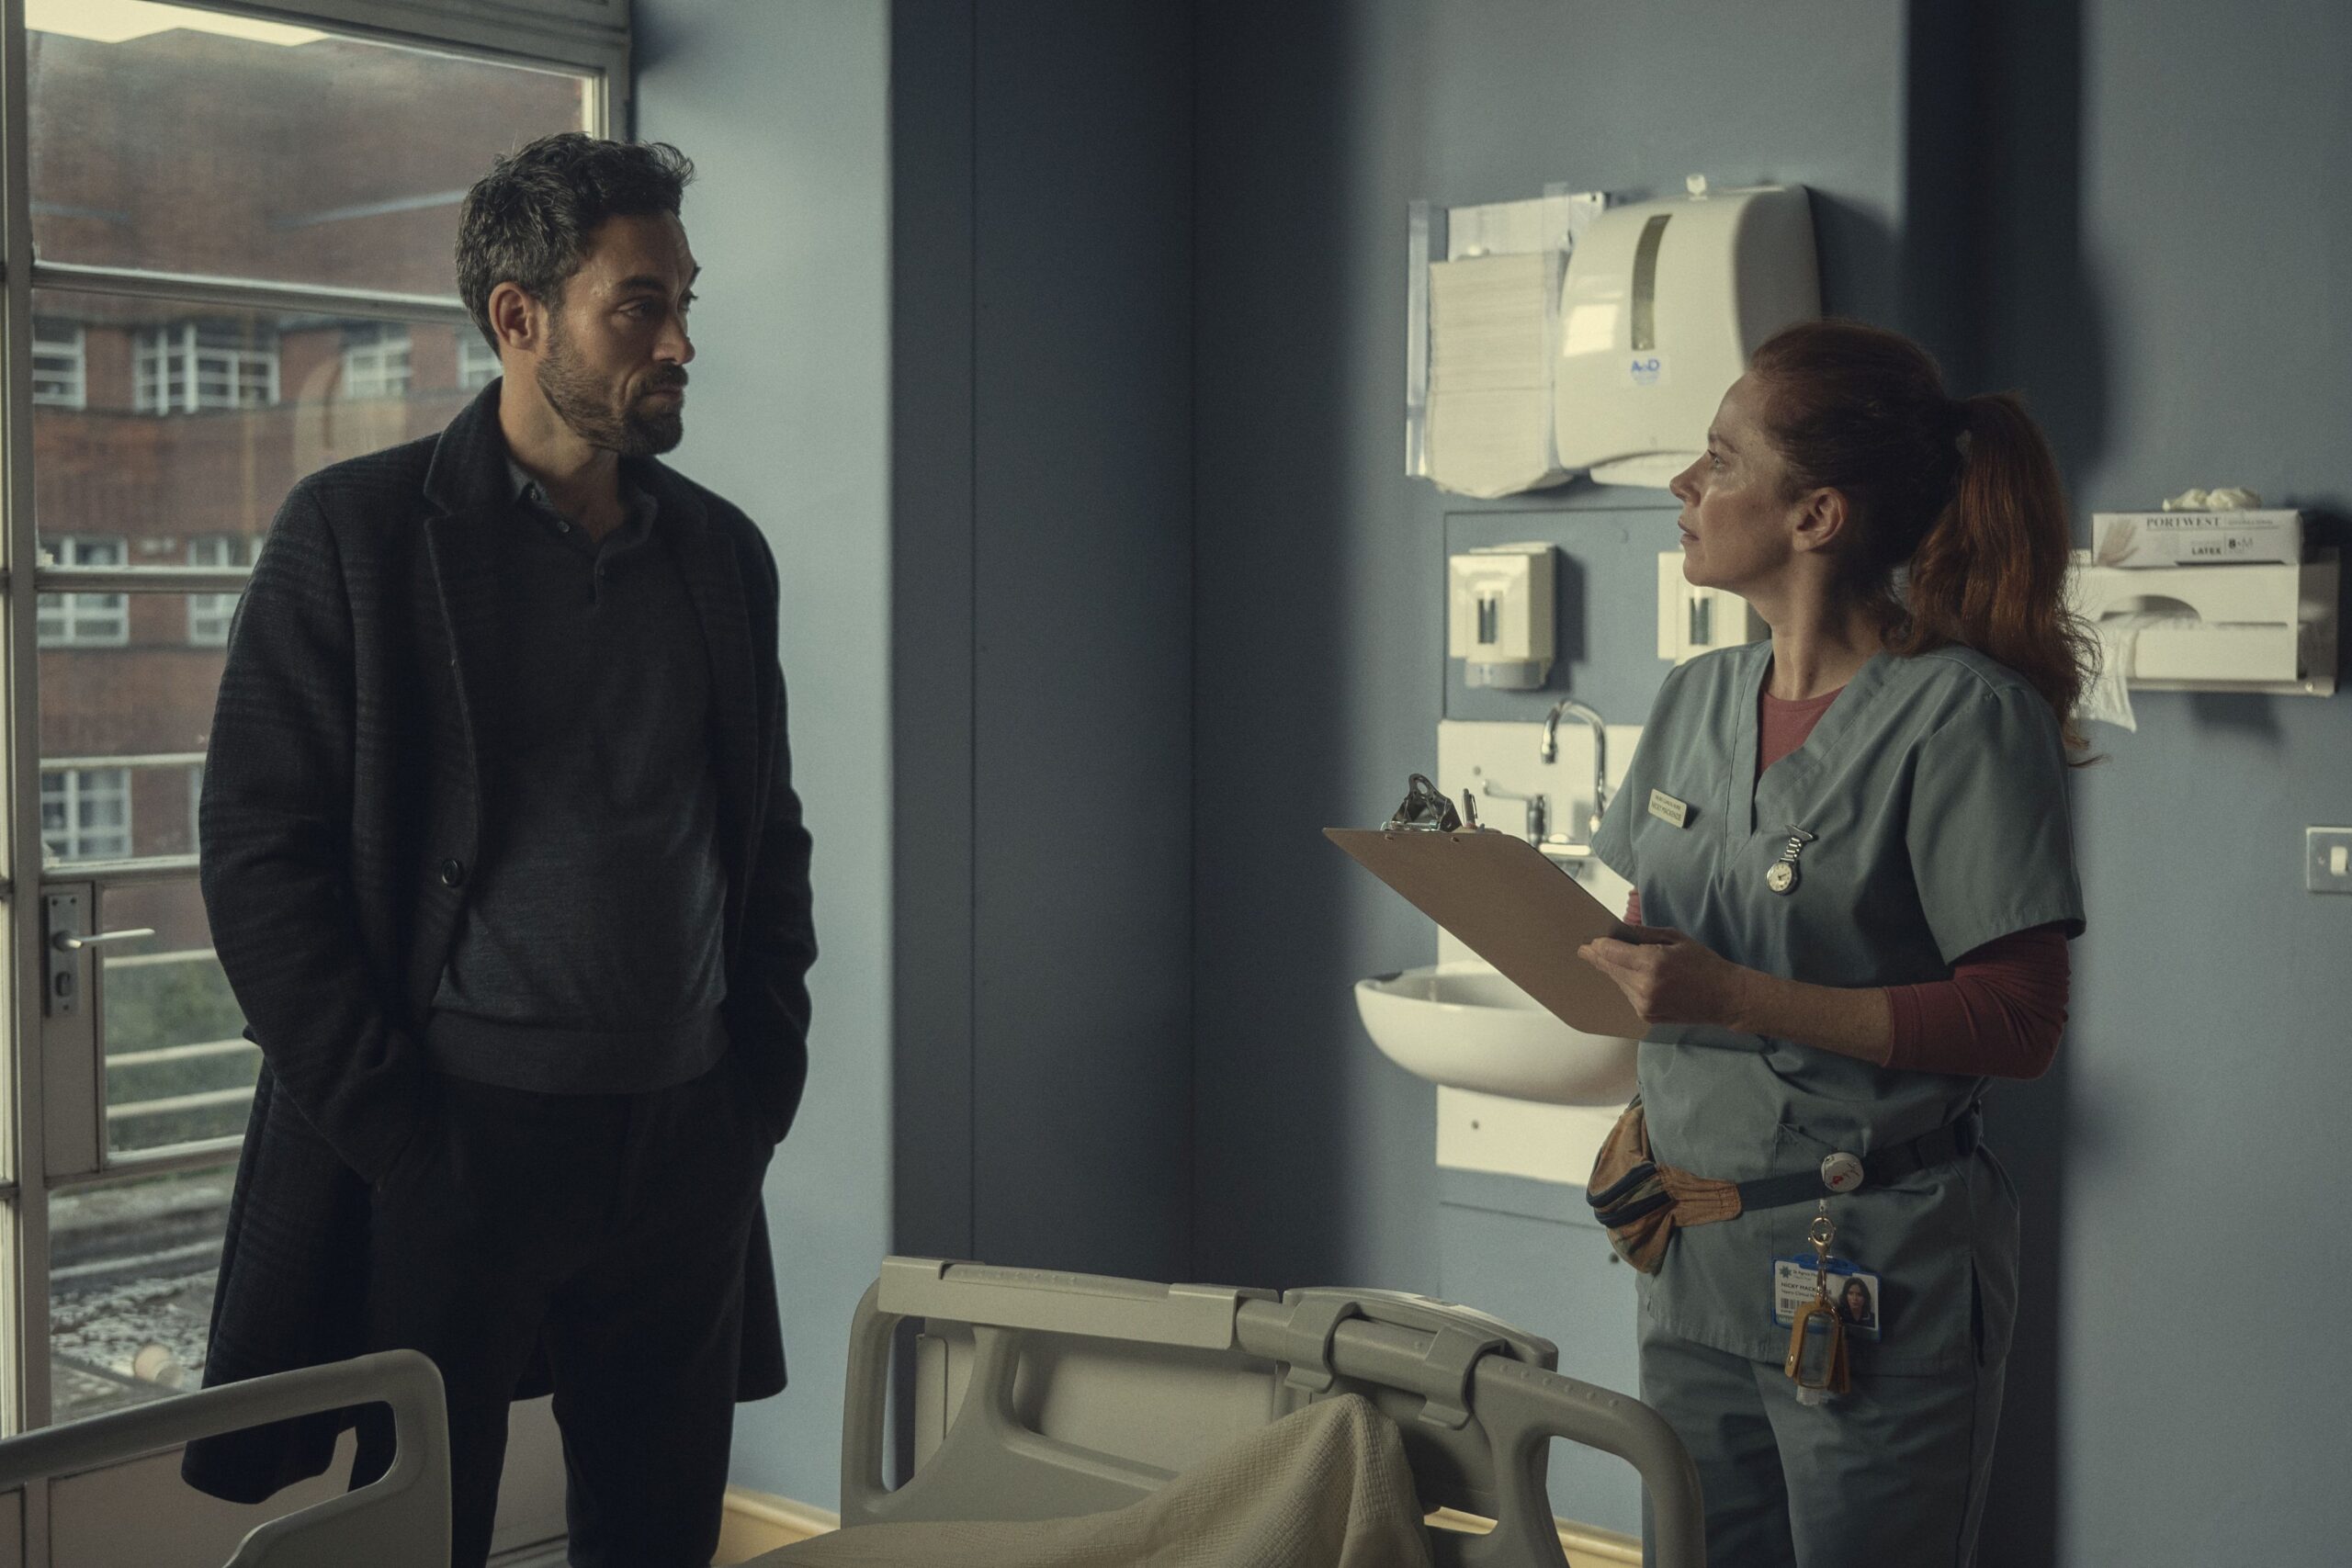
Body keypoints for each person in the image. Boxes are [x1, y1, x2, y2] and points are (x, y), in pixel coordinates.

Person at [183, 132, 817, 1568]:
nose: (680, 342)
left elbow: (764, 834)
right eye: (639, 306)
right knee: (417, 1542)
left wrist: (757, 1082)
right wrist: (404, 1138)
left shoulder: (722, 555)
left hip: (686, 1138)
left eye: (683, 303)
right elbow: (258, 860)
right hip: (457, 1139)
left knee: (659, 1541)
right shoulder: (355, 535)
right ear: (518, 317)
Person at [1577, 319, 2088, 1567]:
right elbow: (1654, 938)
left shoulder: (1964, 716)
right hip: (1687, 1252)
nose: (1683, 486)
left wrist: (1740, 996)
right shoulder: (1695, 697)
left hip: (1867, 1273)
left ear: (1815, 516)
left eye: (1719, 460)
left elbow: (2018, 1020)